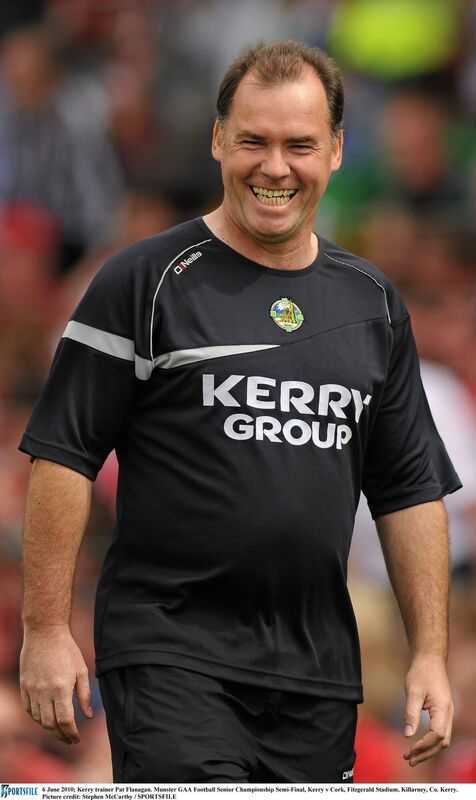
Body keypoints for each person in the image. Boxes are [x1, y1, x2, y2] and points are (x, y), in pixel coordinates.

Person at [19, 40, 461, 783]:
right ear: (219, 139)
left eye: (300, 145)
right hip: (170, 654)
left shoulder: (373, 305)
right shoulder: (143, 280)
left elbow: (409, 492)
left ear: (338, 151)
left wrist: (429, 655)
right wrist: (44, 629)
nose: (276, 167)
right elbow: (63, 455)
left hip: (317, 673)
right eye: (254, 140)